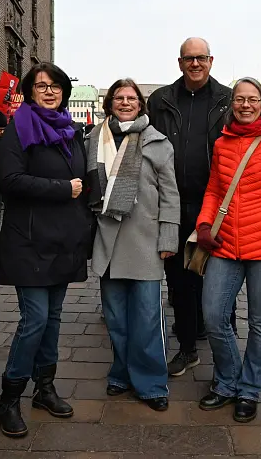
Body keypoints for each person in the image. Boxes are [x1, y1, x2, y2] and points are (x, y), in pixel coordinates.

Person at [196, 77, 261, 423]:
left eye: (252, 99)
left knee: (260, 322)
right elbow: (213, 189)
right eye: (239, 99)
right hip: (225, 245)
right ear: (232, 104)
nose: (245, 105)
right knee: (213, 315)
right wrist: (204, 225)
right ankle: (227, 380)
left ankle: (249, 389)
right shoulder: (223, 143)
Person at [0, 62, 91, 438]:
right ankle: (9, 398)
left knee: (52, 319)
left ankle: (44, 388)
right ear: (31, 91)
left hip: (64, 240)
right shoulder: (19, 128)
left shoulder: (70, 130)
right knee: (33, 320)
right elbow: (10, 180)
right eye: (41, 86)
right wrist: (62, 188)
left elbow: (84, 180)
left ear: (64, 91)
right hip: (29, 242)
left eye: (55, 86)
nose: (49, 91)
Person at [86, 79, 179, 412]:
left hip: (145, 242)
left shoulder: (157, 142)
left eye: (132, 98)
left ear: (141, 104)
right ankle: (121, 373)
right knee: (116, 318)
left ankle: (152, 383)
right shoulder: (95, 139)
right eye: (119, 98)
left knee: (147, 317)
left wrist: (169, 236)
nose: (125, 102)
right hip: (108, 239)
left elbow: (170, 194)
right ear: (110, 102)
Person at [147, 37, 235, 378]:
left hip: (218, 205)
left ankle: (222, 343)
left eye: (201, 58)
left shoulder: (227, 99)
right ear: (180, 62)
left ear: (211, 60)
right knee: (180, 280)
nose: (195, 64)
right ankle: (187, 348)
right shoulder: (161, 100)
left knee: (220, 278)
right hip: (173, 203)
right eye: (189, 59)